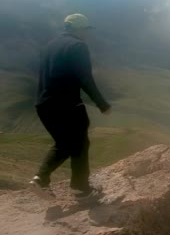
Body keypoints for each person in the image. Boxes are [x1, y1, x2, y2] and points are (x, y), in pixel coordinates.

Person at [29, 13, 111, 198]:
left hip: (44, 105)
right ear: (79, 29)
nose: (87, 34)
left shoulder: (49, 46)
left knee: (66, 143)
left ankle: (44, 180)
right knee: (79, 142)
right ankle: (78, 189)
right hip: (67, 105)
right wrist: (101, 103)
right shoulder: (78, 46)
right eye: (86, 30)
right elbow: (85, 78)